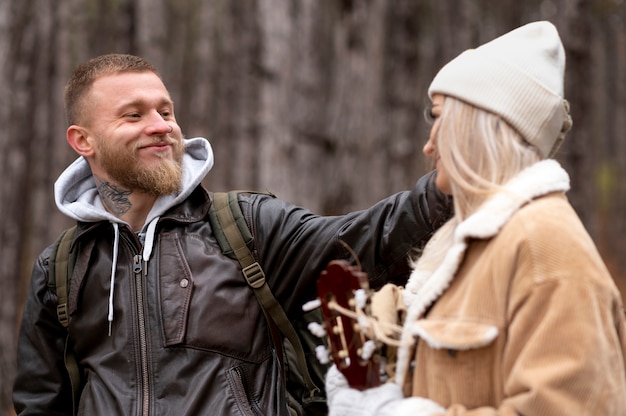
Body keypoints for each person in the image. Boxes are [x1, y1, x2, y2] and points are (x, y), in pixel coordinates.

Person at [12, 53, 452, 415]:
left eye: (165, 111)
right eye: (134, 115)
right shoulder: (63, 267)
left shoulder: (247, 227)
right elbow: (41, 402)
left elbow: (367, 241)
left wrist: (447, 185)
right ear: (83, 140)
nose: (162, 125)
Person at [325, 21, 626, 415]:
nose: (428, 145)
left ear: (480, 130)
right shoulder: (471, 244)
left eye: (438, 120)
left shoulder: (546, 246)